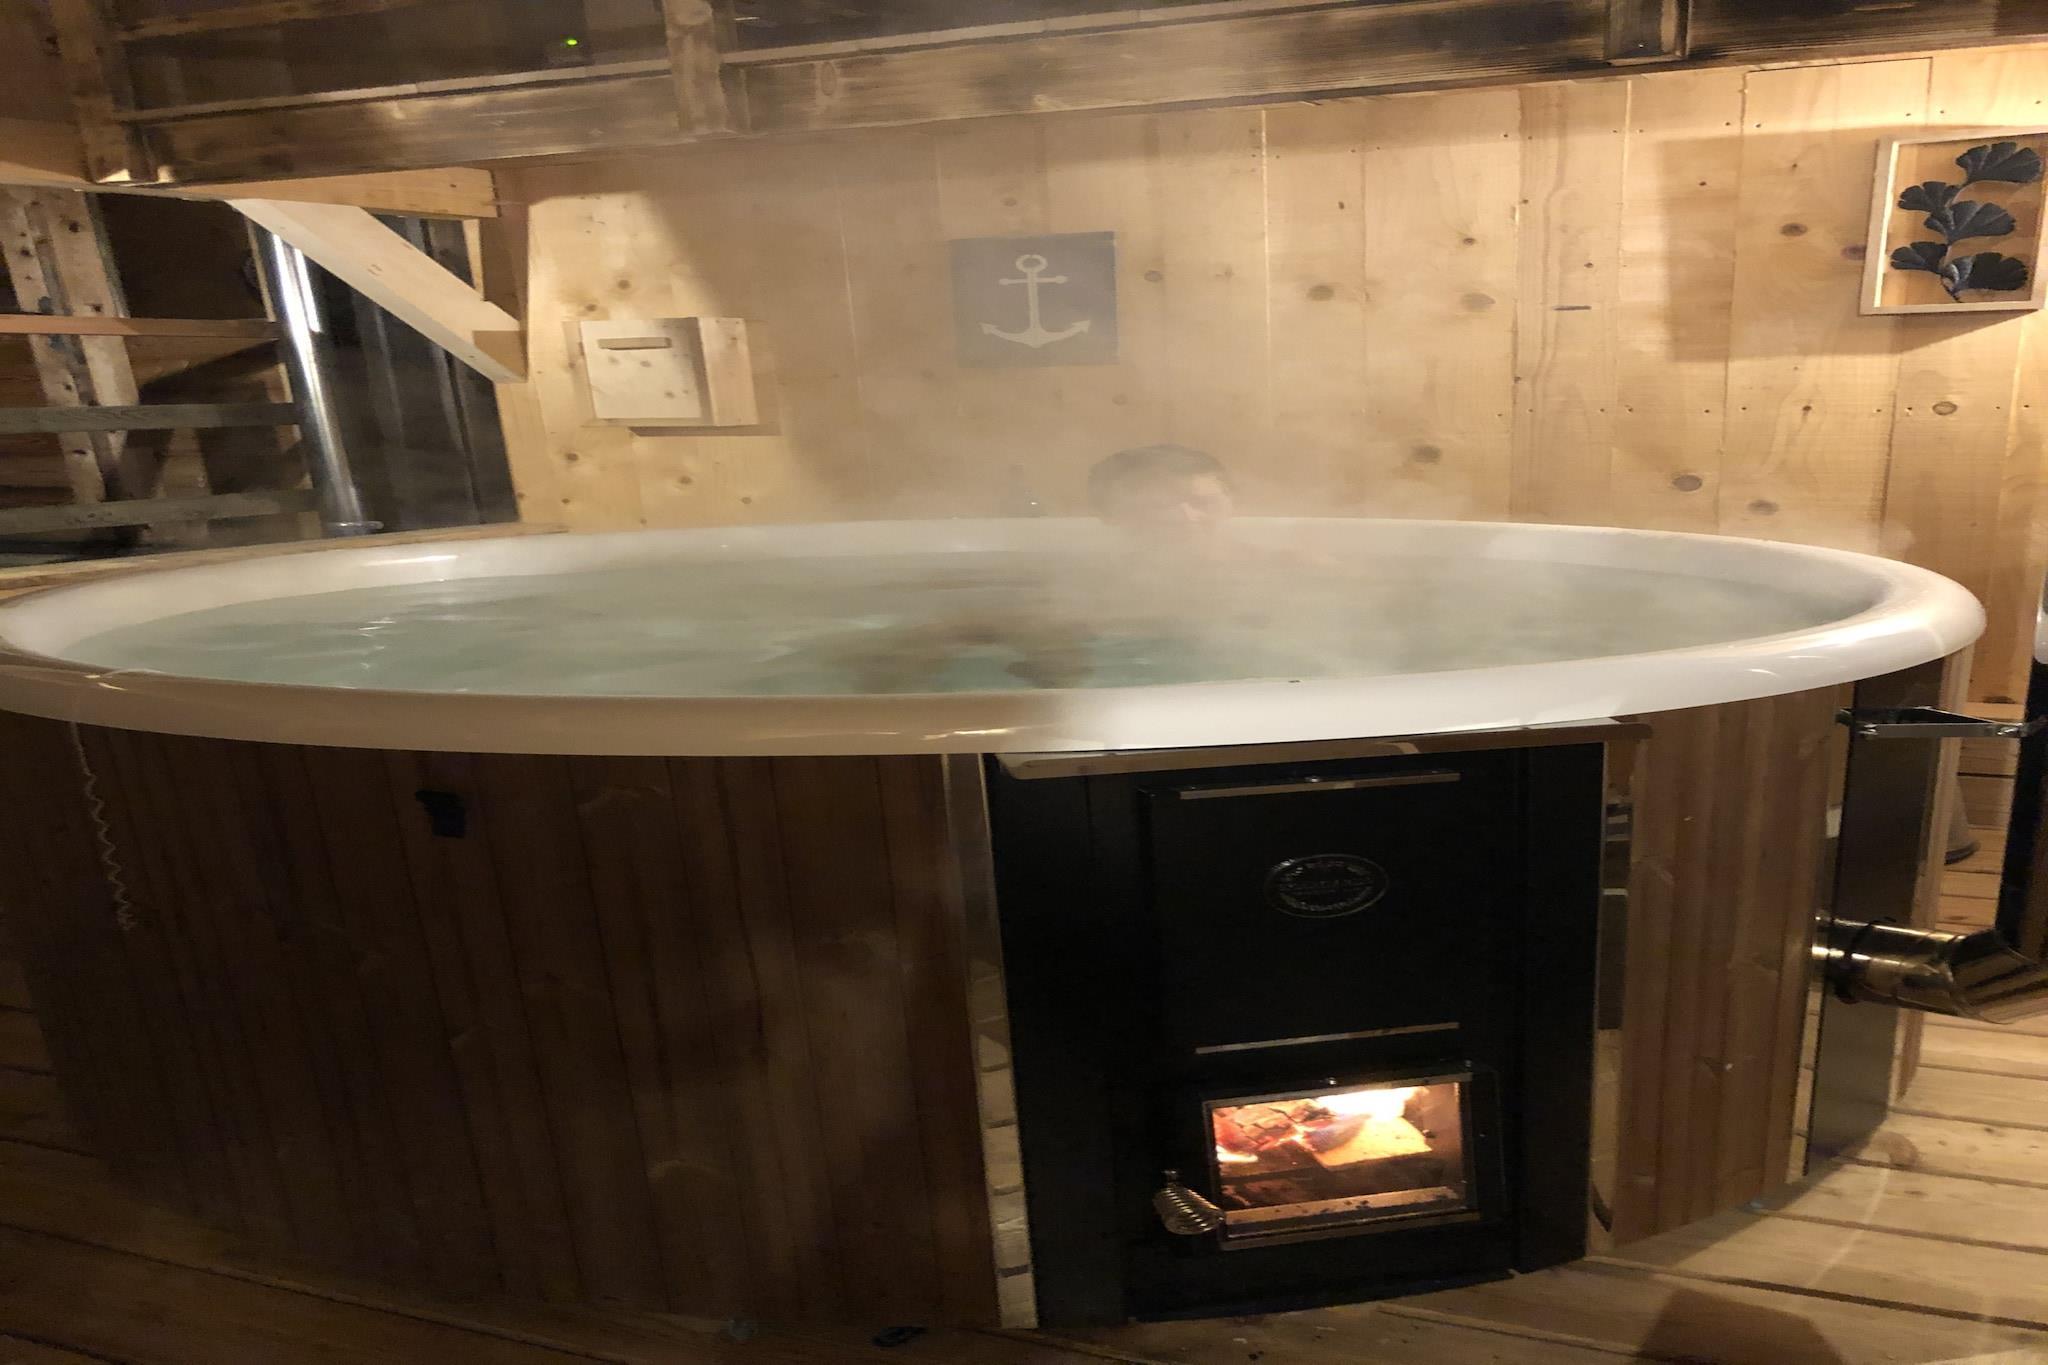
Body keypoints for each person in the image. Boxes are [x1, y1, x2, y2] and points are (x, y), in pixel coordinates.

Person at [1087, 443, 1237, 549]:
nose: (1186, 517)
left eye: (1205, 503)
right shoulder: (1085, 574)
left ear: (1232, 504)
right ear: (1109, 514)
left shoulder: (1250, 570)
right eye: (1159, 506)